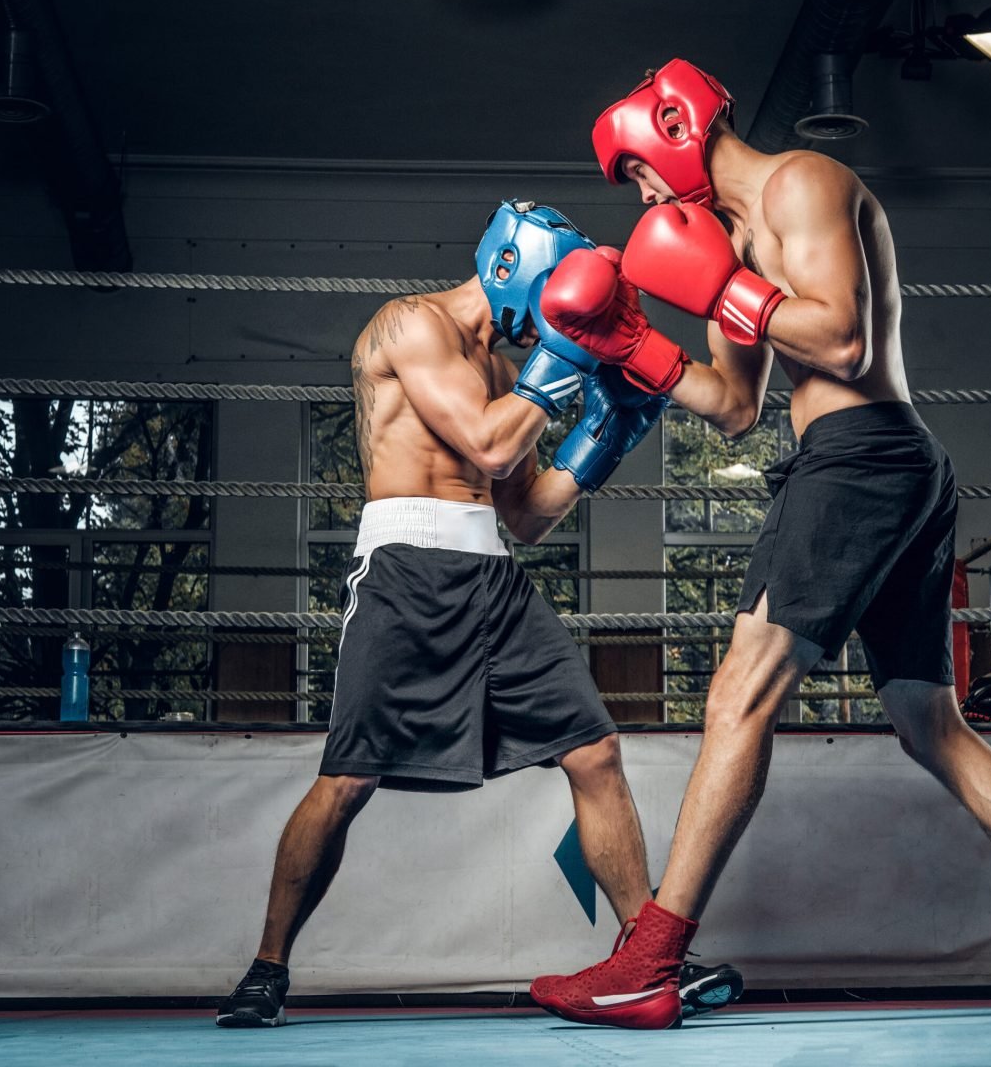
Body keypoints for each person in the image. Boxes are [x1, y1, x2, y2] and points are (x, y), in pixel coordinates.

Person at [528, 59, 991, 1029]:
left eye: (636, 171)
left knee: (739, 691)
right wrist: (629, 347)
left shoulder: (802, 183)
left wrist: (722, 285)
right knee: (928, 723)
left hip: (863, 457)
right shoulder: (727, 238)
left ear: (676, 124)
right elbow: (734, 408)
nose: (640, 195)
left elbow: (844, 342)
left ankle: (648, 961)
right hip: (882, 463)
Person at [215, 198, 740, 1027]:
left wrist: (600, 442)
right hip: (404, 568)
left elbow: (526, 512)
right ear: (516, 271)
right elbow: (491, 445)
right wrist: (565, 357)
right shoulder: (408, 327)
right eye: (553, 308)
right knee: (349, 778)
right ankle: (267, 966)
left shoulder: (505, 374)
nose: (548, 330)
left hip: (490, 575)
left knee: (595, 751)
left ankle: (646, 953)